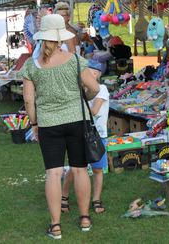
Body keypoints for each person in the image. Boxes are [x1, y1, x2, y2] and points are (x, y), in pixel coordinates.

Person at [19, 14, 100, 239]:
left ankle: (55, 226)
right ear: (60, 36)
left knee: (53, 173)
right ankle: (85, 218)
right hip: (77, 120)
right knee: (80, 169)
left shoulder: (31, 66)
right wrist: (83, 96)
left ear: (42, 36)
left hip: (48, 124)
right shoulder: (74, 60)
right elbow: (94, 88)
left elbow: (28, 100)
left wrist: (34, 123)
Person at [61, 59, 109, 214]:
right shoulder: (79, 89)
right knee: (75, 168)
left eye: (86, 72)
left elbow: (94, 111)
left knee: (98, 169)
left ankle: (96, 199)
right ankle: (64, 197)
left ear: (94, 74)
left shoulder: (101, 89)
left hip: (97, 135)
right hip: (79, 132)